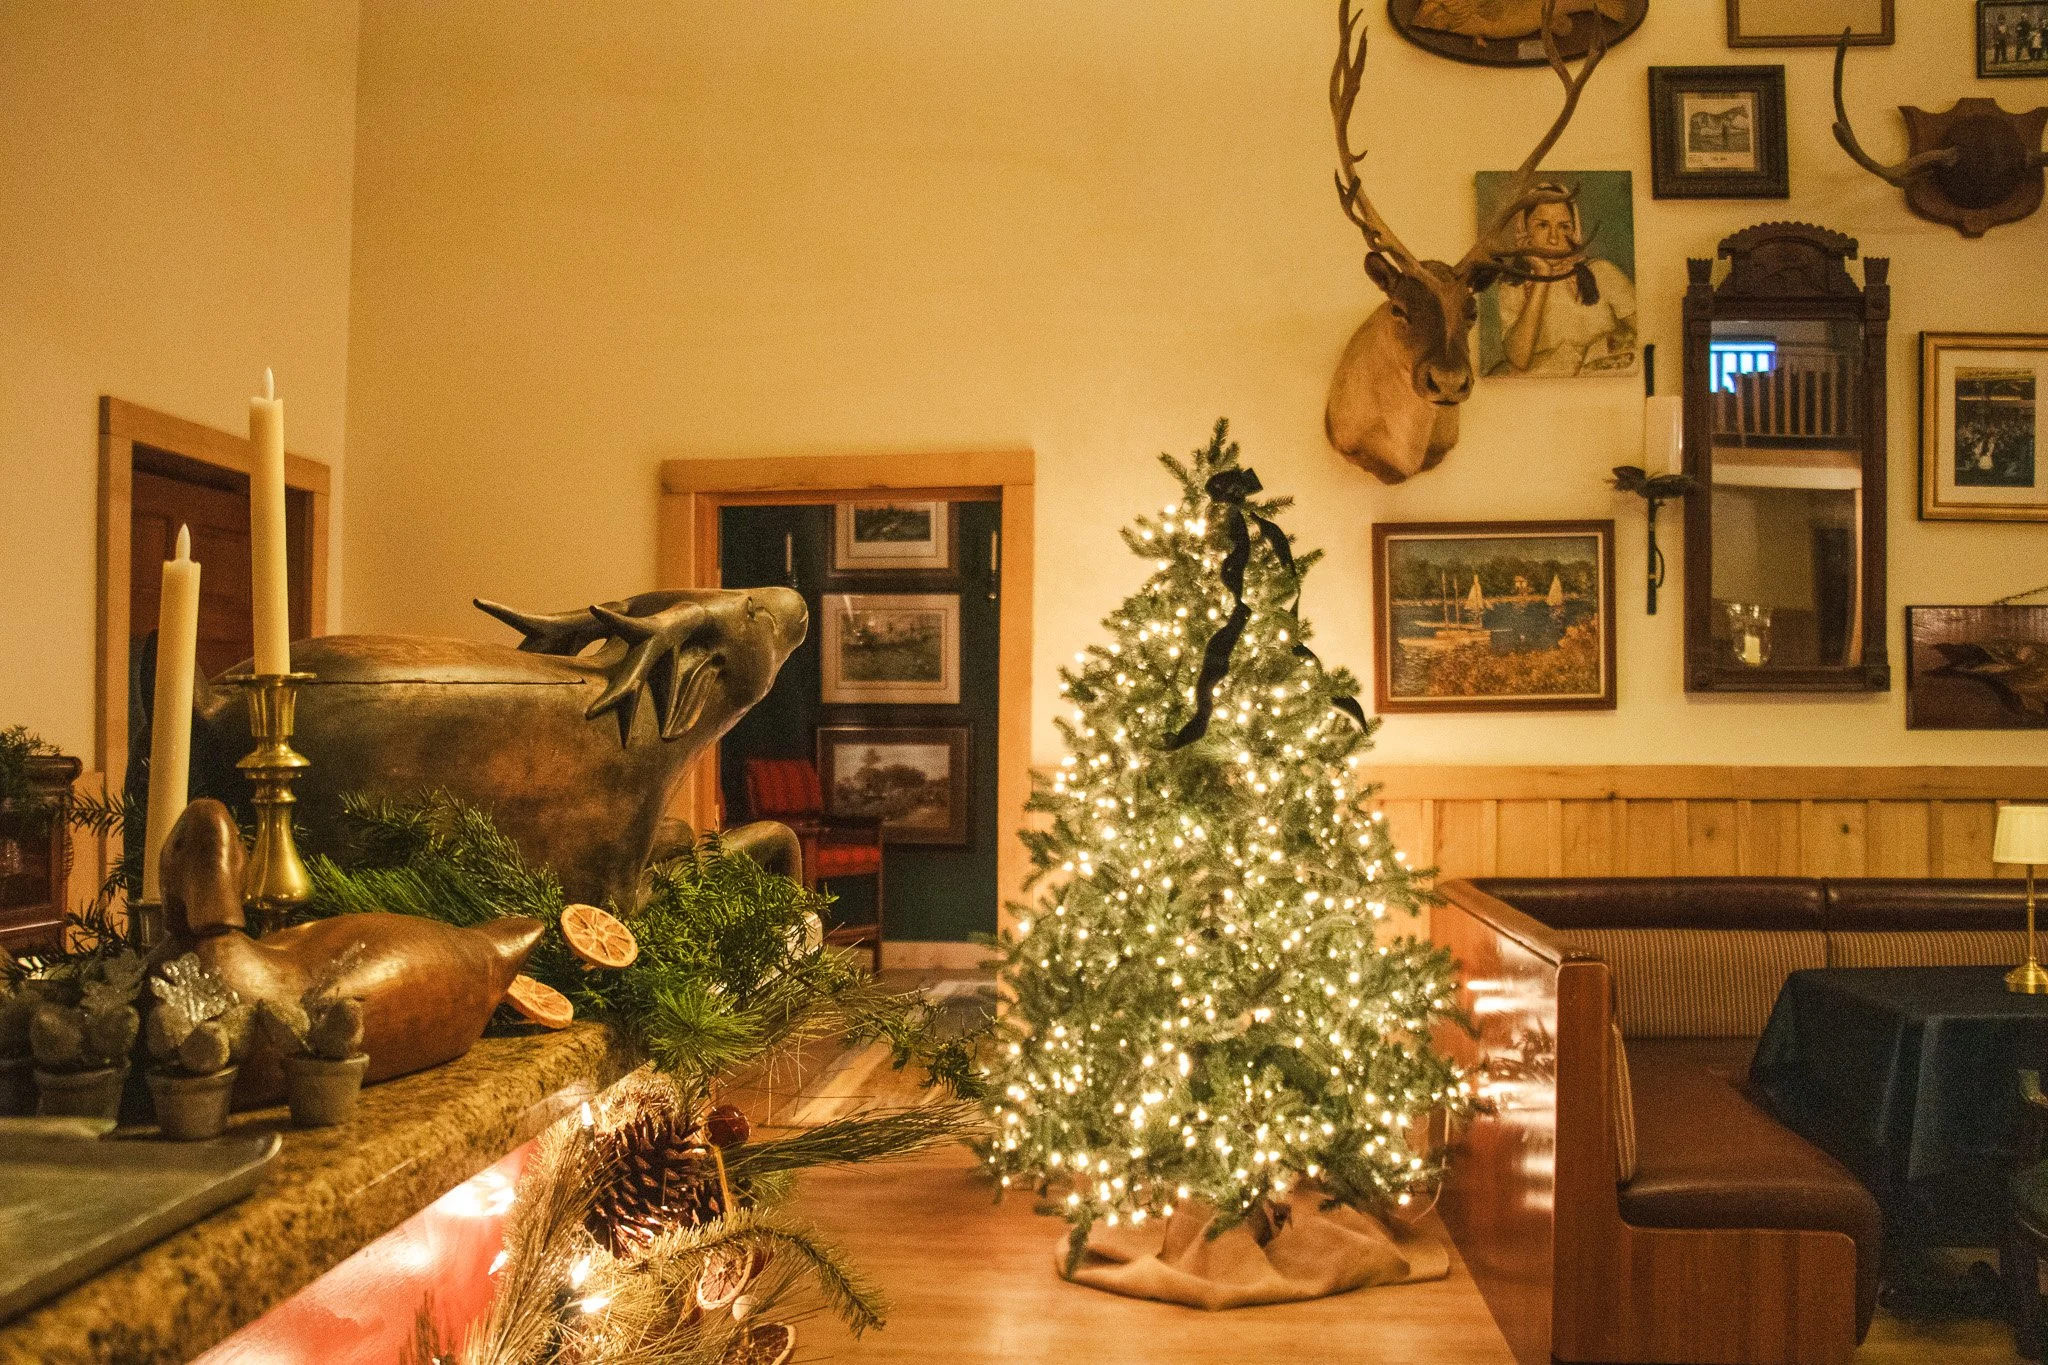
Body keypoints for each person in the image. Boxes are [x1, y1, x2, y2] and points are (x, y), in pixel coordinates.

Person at [1492, 184, 1637, 377]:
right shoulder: (1514, 285)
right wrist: (1542, 274)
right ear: (1524, 231)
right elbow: (1518, 359)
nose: (1554, 239)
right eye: (1542, 225)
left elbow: (1646, 334)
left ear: (1575, 231)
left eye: (1564, 226)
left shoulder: (1602, 273)